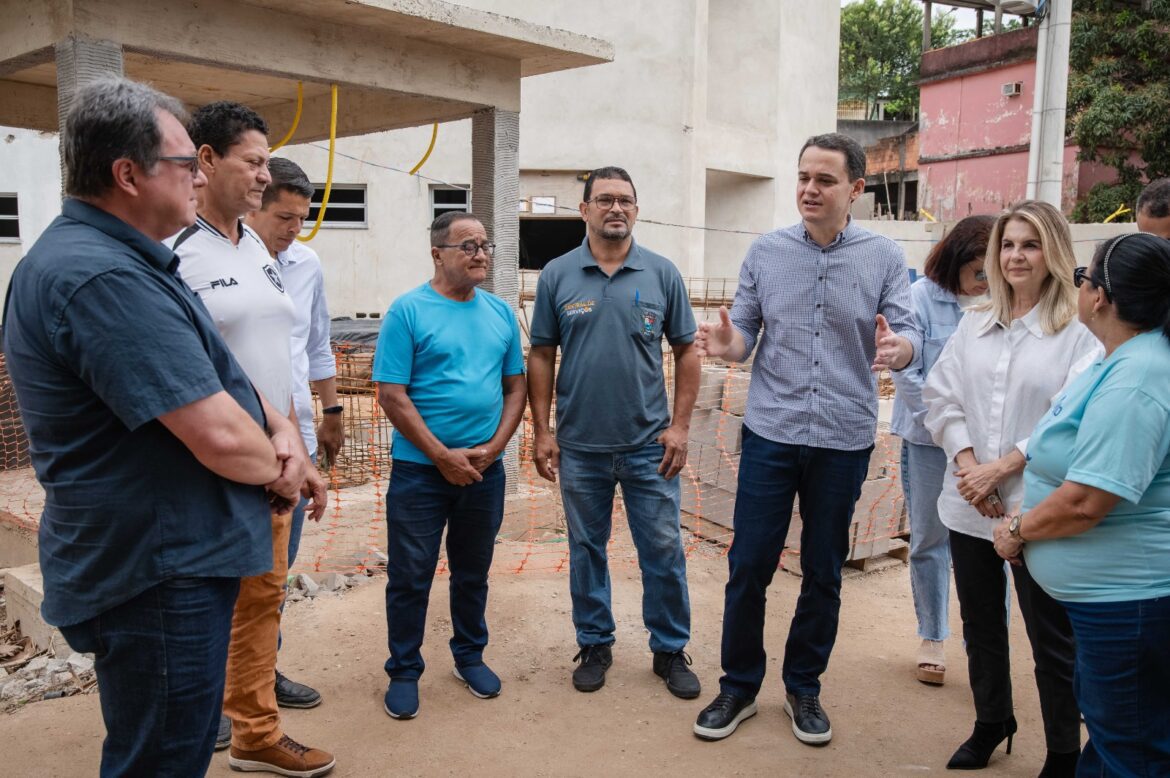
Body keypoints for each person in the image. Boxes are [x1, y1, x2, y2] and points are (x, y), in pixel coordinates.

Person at [1, 77, 301, 776]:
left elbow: (216, 371)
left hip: (170, 554)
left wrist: (279, 424)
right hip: (160, 570)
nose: (198, 176)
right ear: (128, 174)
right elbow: (217, 434)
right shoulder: (102, 278)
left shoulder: (128, 259)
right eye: (185, 163)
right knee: (162, 758)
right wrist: (282, 467)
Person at [693, 133, 921, 746]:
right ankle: (739, 686)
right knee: (749, 563)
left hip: (843, 438)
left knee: (823, 569)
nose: (809, 190)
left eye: (824, 180)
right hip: (772, 432)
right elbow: (742, 333)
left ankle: (804, 686)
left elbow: (906, 334)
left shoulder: (883, 257)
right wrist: (729, 345)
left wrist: (900, 348)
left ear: (856, 189)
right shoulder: (767, 252)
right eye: (803, 177)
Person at [176, 101, 333, 777]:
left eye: (268, 163)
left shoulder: (256, 251)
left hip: (273, 463)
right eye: (255, 162)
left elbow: (276, 363)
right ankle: (196, 728)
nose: (265, 176)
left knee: (263, 598)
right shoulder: (174, 251)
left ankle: (255, 731)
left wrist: (298, 448)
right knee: (207, 606)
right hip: (208, 468)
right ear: (206, 161)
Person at [924, 200, 1099, 775]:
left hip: (1036, 508)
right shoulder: (974, 323)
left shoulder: (1077, 332)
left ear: (1054, 252)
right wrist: (971, 467)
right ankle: (991, 721)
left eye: (1030, 244)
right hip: (970, 503)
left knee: (1051, 639)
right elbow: (941, 397)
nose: (1016, 256)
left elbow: (1071, 416)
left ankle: (1063, 751)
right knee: (981, 626)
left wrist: (1000, 470)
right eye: (1007, 244)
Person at [993, 232, 1170, 777]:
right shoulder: (1121, 359)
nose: (1080, 288)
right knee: (1116, 740)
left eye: (1083, 277)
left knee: (1133, 753)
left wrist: (1018, 530)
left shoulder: (1136, 380)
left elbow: (1087, 502)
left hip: (1127, 605)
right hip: (1111, 605)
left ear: (1101, 297)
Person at [528, 166, 702, 699]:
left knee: (663, 550)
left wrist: (679, 427)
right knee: (587, 549)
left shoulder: (662, 273)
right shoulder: (558, 274)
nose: (616, 208)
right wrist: (542, 431)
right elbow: (541, 354)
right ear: (584, 210)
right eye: (604, 200)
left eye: (625, 200)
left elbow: (687, 350)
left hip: (650, 447)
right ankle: (595, 643)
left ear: (636, 209)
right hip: (580, 447)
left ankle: (669, 649)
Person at [373, 211, 526, 720]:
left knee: (472, 572)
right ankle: (404, 670)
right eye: (468, 245)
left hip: (483, 471)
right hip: (420, 473)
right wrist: (441, 456)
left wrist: (496, 447)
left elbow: (516, 387)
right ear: (438, 254)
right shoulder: (408, 311)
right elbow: (391, 395)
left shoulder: (500, 312)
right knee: (410, 576)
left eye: (485, 245)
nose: (481, 254)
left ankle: (469, 656)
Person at [245, 156, 343, 709]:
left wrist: (332, 412)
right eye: (285, 217)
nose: (294, 230)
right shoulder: (220, 260)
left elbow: (316, 344)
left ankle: (263, 672)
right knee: (232, 572)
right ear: (254, 206)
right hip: (238, 441)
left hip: (296, 442)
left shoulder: (306, 264)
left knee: (277, 571)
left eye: (302, 219)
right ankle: (222, 690)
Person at [890, 215, 994, 686]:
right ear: (955, 261)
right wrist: (946, 429)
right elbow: (906, 371)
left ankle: (985, 640)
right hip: (929, 441)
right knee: (930, 539)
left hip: (989, 449)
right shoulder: (920, 298)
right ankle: (932, 636)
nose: (986, 281)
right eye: (978, 271)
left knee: (992, 541)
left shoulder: (1003, 302)